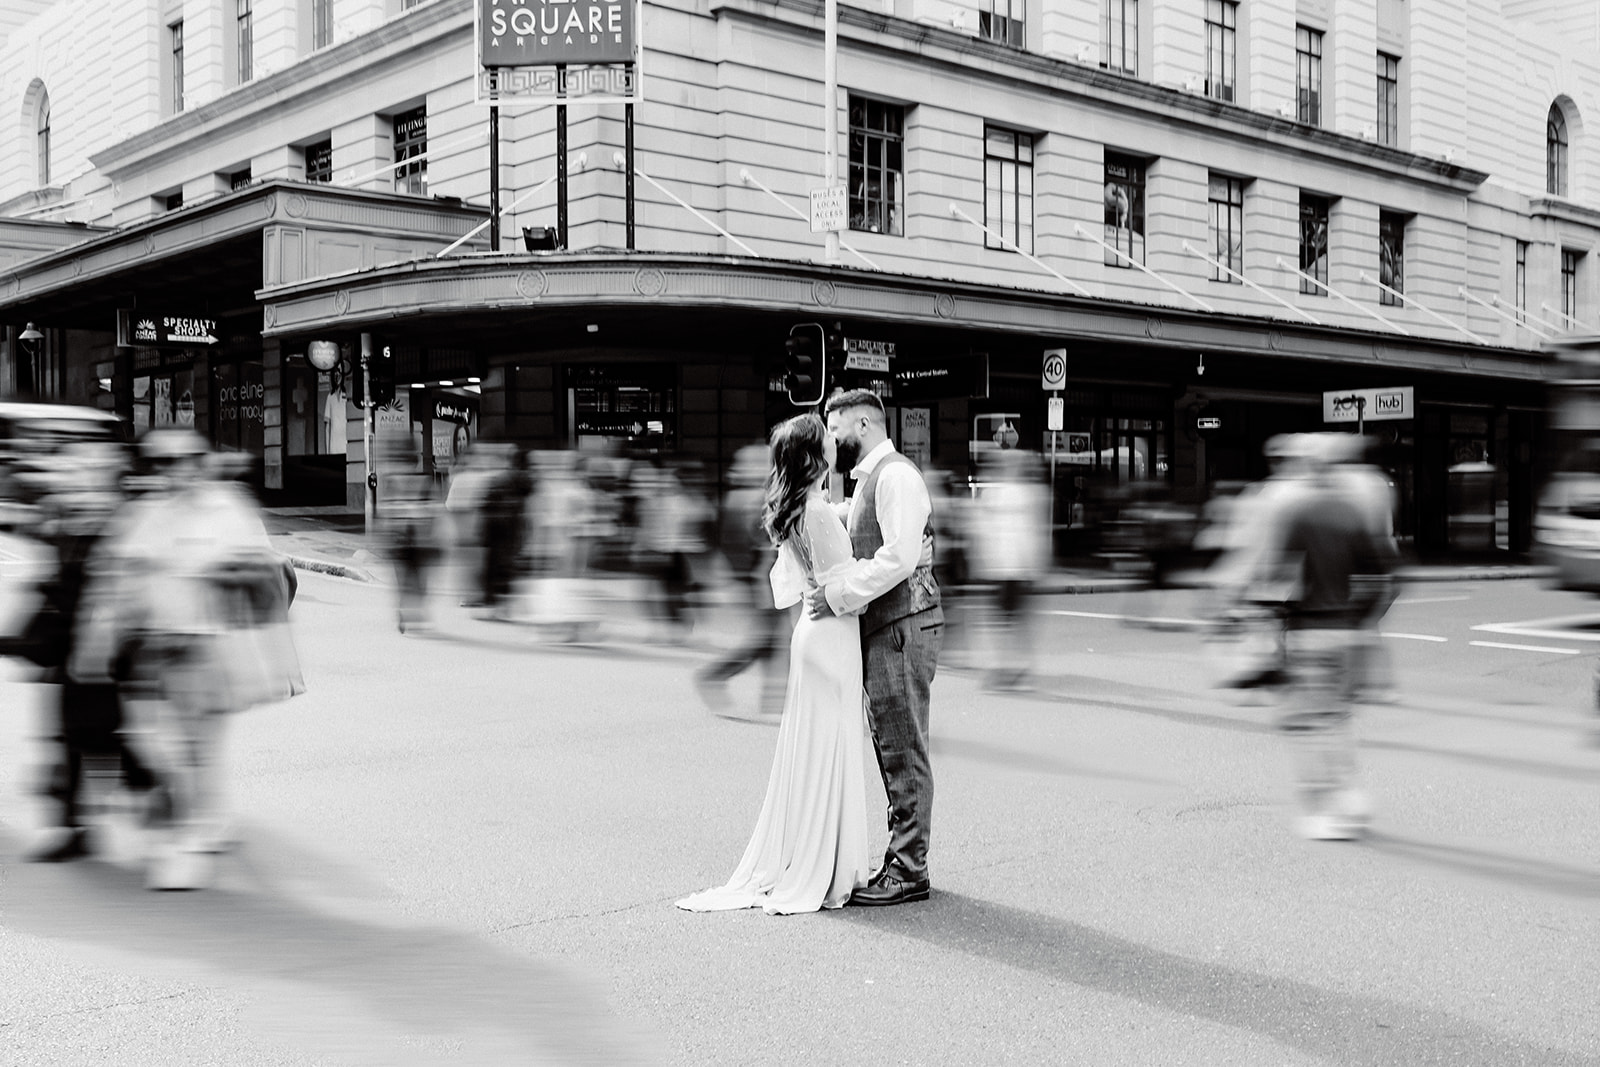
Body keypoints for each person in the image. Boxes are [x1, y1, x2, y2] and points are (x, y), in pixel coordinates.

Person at [676, 414, 872, 914]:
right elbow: (848, 591)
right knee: (833, 747)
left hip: (813, 637)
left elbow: (800, 581)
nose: (836, 441)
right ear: (813, 455)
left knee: (816, 751)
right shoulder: (818, 514)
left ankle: (820, 857)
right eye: (828, 438)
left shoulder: (804, 509)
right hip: (831, 638)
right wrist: (895, 565)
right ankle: (829, 866)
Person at [805, 389, 943, 907]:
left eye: (835, 430)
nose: (830, 440)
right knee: (893, 742)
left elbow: (899, 558)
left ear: (862, 424)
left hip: (904, 626)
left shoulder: (897, 477)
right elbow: (861, 529)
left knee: (903, 746)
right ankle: (904, 859)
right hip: (894, 626)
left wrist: (837, 594)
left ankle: (910, 869)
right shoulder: (870, 481)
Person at [1255, 433, 1397, 841]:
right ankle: (1350, 797)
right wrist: (1364, 618)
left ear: (1309, 469)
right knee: (1335, 718)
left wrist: (1272, 626)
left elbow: (1278, 580)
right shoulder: (1354, 513)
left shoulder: (1298, 515)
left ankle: (1324, 807)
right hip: (1348, 633)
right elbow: (1389, 576)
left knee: (1305, 723)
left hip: (1309, 633)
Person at [694, 444, 788, 715]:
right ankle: (715, 676)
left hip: (752, 580)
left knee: (771, 637)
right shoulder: (754, 501)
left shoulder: (738, 498)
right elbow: (761, 546)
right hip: (760, 581)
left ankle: (772, 696)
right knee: (764, 639)